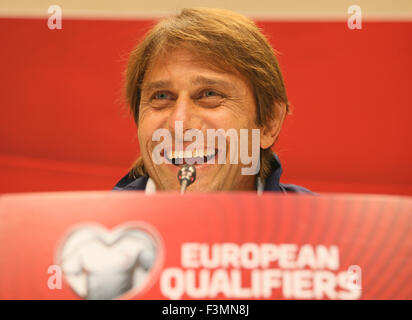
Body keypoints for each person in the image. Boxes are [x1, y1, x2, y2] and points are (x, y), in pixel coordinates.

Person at [114, 8, 312, 194]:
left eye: (210, 94)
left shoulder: (326, 225)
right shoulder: (93, 226)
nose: (179, 124)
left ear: (269, 123)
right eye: (161, 96)